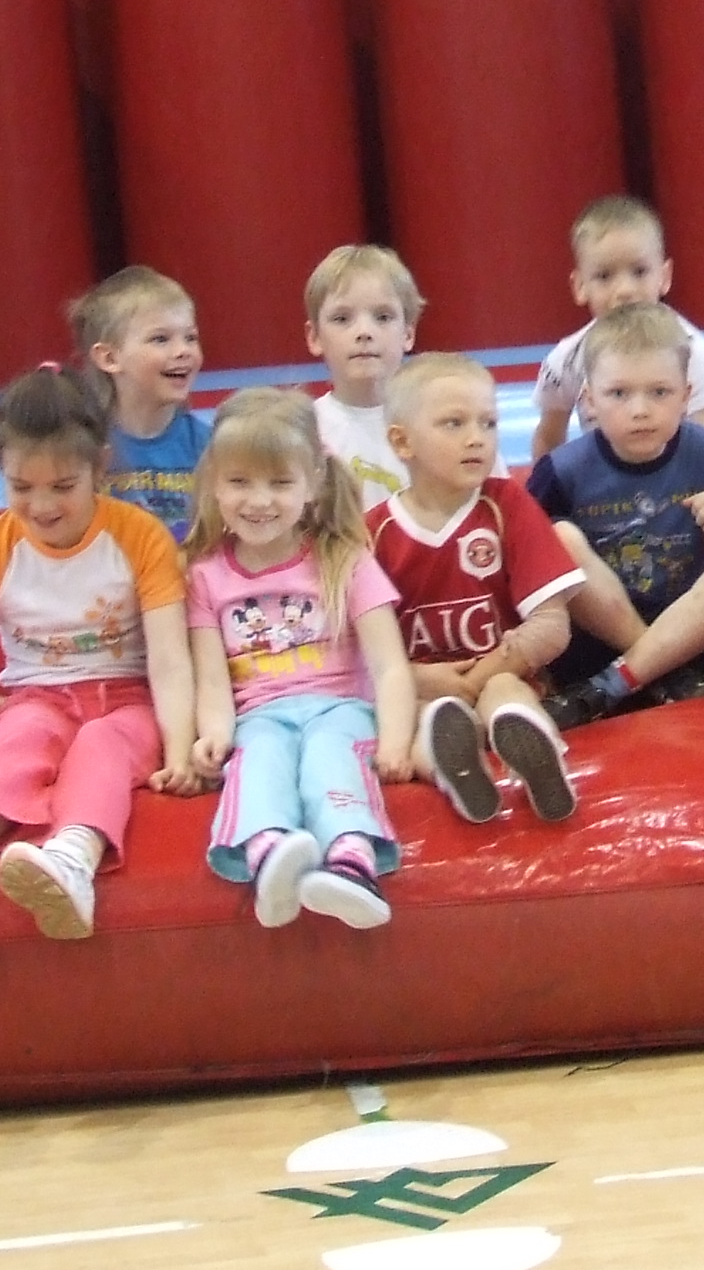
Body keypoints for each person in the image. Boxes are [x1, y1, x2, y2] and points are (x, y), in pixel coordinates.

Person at [0, 367, 198, 942]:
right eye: (21, 488)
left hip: (126, 701)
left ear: (100, 468)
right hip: (38, 697)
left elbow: (171, 662)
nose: (42, 506)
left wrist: (178, 751)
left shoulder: (140, 537)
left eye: (63, 487)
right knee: (22, 736)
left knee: (102, 744)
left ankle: (73, 857)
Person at [185, 389, 413, 928]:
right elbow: (212, 680)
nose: (258, 500)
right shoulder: (205, 576)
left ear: (312, 485)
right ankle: (269, 856)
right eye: (239, 482)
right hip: (259, 713)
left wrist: (395, 740)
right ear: (214, 483)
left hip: (341, 708)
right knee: (258, 757)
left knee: (328, 756)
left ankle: (351, 861)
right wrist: (213, 734)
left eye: (280, 483)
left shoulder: (344, 560)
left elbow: (389, 666)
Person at [530, 303, 704, 729]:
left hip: (693, 633)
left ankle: (611, 686)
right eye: (619, 394)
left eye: (659, 392)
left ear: (686, 396)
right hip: (596, 645)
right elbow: (520, 559)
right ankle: (658, 670)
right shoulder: (563, 469)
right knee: (559, 538)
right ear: (589, 400)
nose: (640, 410)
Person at [370, 354, 583, 823]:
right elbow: (353, 652)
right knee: (421, 714)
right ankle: (457, 774)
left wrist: (479, 677)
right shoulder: (373, 533)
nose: (477, 438)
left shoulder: (507, 504)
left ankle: (537, 752)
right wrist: (416, 678)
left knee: (507, 693)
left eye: (488, 423)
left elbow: (552, 626)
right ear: (402, 442)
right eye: (454, 423)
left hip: (503, 672)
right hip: (420, 688)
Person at [530, 195, 704, 460]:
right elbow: (549, 438)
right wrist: (548, 483)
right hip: (602, 482)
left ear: (664, 276)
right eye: (604, 276)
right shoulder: (567, 359)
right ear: (580, 286)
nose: (625, 290)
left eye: (639, 272)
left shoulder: (689, 349)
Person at [71, 267, 206, 541]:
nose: (183, 350)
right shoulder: (83, 444)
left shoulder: (208, 445)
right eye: (160, 339)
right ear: (109, 358)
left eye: (190, 337)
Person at [306, 244, 424, 509]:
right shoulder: (304, 433)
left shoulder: (439, 424)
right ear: (314, 337)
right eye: (342, 319)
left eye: (382, 317)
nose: (364, 332)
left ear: (408, 334)